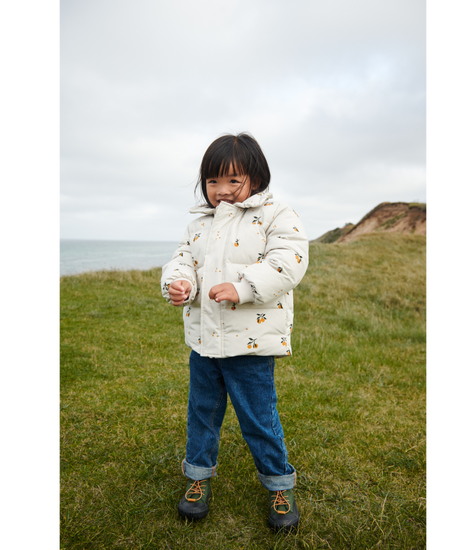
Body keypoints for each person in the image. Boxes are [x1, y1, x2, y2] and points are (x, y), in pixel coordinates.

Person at [161, 132, 308, 532]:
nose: (222, 190)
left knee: (259, 419)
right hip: (205, 345)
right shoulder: (198, 224)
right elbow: (181, 261)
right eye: (213, 181)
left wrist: (243, 288)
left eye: (233, 180)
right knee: (202, 415)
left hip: (250, 347)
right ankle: (198, 478)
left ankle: (279, 486)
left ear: (255, 179)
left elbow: (288, 262)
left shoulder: (277, 215)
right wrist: (178, 283)